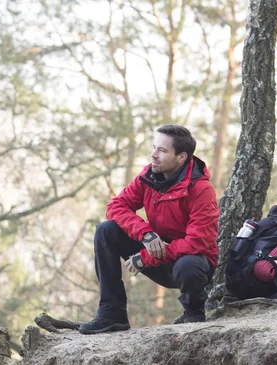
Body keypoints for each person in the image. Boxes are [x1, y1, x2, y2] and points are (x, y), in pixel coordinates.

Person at [79, 125, 219, 334]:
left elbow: (197, 242)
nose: (153, 155)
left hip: (190, 263)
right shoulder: (148, 177)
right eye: (154, 148)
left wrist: (146, 257)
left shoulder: (201, 190)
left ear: (181, 157)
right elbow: (116, 207)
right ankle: (111, 313)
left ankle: (194, 313)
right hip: (155, 250)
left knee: (189, 265)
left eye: (162, 151)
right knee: (105, 230)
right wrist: (145, 233)